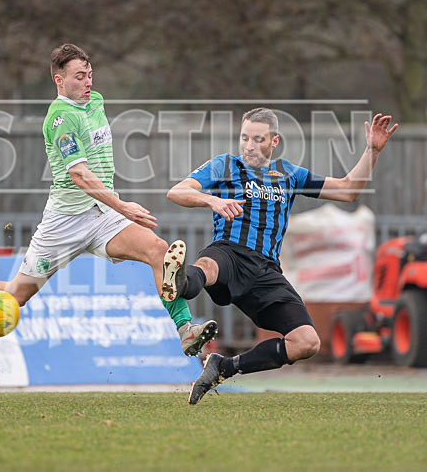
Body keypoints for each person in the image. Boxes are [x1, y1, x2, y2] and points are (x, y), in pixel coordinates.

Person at [0, 43, 218, 355]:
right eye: (80, 76)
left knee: (158, 250)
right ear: (59, 80)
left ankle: (185, 330)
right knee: (16, 296)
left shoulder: (95, 101)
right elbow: (79, 175)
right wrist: (123, 206)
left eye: (90, 74)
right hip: (65, 222)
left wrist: (115, 207)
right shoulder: (60, 119)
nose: (88, 82)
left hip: (104, 215)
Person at [164, 108, 398, 404]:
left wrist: (372, 151)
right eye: (244, 138)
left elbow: (348, 190)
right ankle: (179, 280)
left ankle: (223, 367)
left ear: (274, 141)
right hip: (229, 253)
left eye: (258, 139)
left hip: (266, 272)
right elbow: (177, 192)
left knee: (307, 342)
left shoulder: (289, 174)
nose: (249, 146)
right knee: (207, 265)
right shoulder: (224, 165)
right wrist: (211, 200)